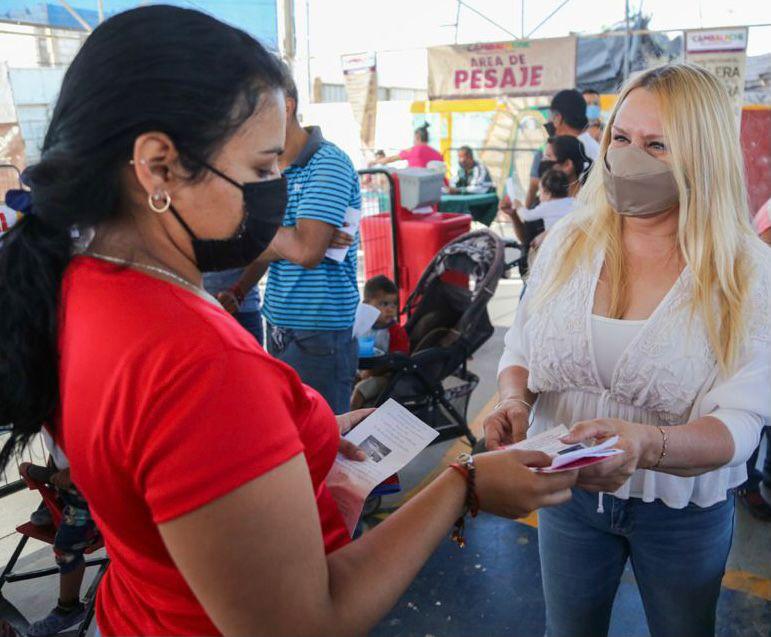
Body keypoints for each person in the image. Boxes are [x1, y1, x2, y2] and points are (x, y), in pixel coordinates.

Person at [0, 8, 579, 636]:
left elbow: (167, 460)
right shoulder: (199, 364)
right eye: (260, 167)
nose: (275, 187)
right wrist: (461, 483)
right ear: (158, 166)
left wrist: (298, 436)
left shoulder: (81, 285)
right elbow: (307, 622)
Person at [486, 63, 770, 637]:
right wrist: (512, 398)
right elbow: (524, 343)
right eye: (620, 137)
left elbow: (740, 425)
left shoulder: (745, 270)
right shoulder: (570, 241)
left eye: (657, 144)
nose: (627, 157)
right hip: (566, 495)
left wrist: (644, 444)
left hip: (682, 510)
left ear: (702, 156)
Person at [232, 63, 360, 414]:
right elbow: (275, 247)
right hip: (278, 324)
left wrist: (252, 225)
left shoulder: (329, 163)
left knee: (326, 444)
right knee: (292, 433)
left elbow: (305, 251)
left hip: (320, 334)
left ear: (285, 106)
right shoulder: (270, 170)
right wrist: (239, 290)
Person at [19, 430, 99, 637]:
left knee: (65, 546)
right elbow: (56, 449)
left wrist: (76, 469)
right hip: (70, 490)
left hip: (94, 492)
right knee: (43, 518)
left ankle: (68, 608)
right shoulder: (50, 415)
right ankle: (60, 502)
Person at [351, 275, 409, 410]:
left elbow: (398, 360)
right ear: (366, 305)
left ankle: (351, 422)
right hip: (362, 371)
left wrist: (371, 372)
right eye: (384, 304)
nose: (390, 309)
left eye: (394, 304)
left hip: (386, 377)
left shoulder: (395, 331)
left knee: (360, 390)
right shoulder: (362, 327)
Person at [507, 170, 576, 250]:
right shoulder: (573, 201)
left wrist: (519, 206)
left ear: (548, 194)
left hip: (553, 242)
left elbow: (527, 216)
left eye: (540, 191)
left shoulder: (546, 207)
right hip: (571, 240)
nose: (539, 196)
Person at [374, 122, 444, 168]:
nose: (413, 141)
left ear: (418, 137)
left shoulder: (413, 150)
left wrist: (375, 162)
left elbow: (389, 159)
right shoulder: (438, 154)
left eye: (414, 138)